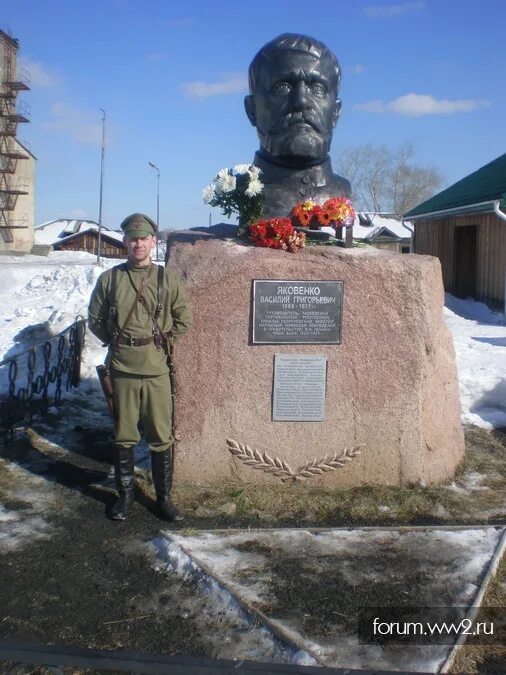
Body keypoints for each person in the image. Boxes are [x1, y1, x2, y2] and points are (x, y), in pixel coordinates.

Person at [88, 213, 192, 521]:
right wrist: (117, 342)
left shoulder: (166, 278)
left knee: (161, 436)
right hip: (122, 369)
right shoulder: (110, 279)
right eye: (132, 239)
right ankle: (126, 497)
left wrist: (162, 342)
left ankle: (164, 499)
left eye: (143, 239)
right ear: (125, 241)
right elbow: (95, 319)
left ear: (152, 242)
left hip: (157, 369)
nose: (138, 244)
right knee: (123, 435)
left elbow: (184, 318)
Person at [244, 33, 351, 218]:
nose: (300, 101)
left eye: (318, 88)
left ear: (336, 112)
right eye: (282, 87)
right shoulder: (241, 190)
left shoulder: (344, 191)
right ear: (252, 109)